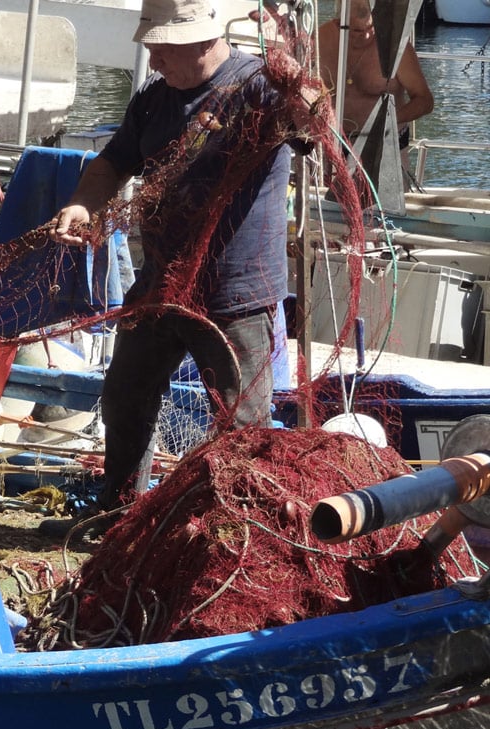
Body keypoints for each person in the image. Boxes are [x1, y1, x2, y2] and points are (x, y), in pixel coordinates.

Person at [42, 0, 322, 533]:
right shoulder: (153, 98)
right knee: (125, 398)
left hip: (235, 297)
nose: (153, 55)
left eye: (163, 45)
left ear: (204, 39)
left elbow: (313, 125)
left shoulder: (261, 86)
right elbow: (112, 162)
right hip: (160, 285)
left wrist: (294, 71)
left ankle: (232, 533)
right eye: (150, 43)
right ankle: (118, 516)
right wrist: (83, 203)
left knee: (240, 423)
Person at [317, 0, 433, 156]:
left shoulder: (396, 46)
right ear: (339, 23)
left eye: (371, 27)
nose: (365, 33)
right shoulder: (321, 39)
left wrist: (390, 121)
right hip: (336, 141)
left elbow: (425, 101)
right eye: (356, 30)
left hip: (386, 142)